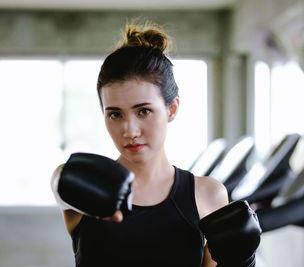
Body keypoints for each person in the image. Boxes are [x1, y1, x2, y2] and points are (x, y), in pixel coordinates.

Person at [51, 22, 261, 267]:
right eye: (115, 114)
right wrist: (60, 177)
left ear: (171, 109)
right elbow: (60, 184)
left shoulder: (207, 195)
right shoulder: (86, 188)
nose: (129, 130)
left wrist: (244, 261)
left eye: (143, 111)